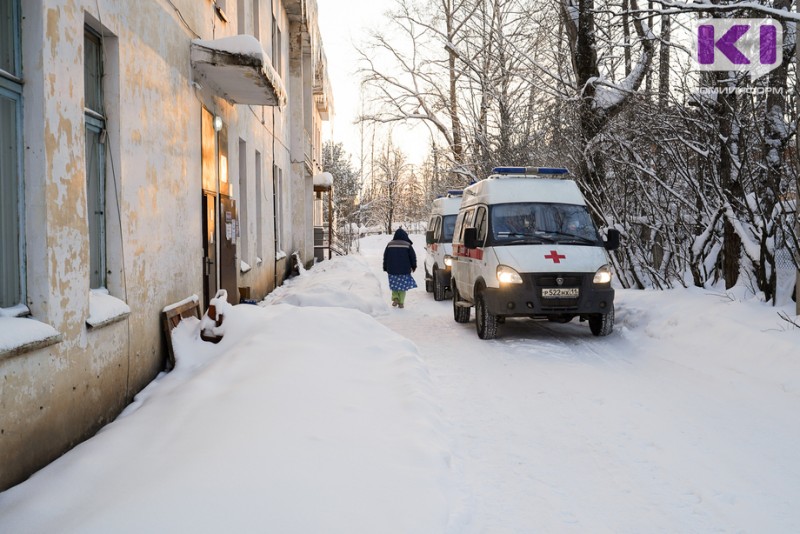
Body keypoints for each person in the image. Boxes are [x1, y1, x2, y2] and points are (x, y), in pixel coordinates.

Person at [382, 227, 417, 309]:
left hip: (392, 269)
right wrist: (413, 266)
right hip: (404, 270)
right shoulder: (407, 245)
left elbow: (385, 256)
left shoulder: (390, 244)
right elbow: (412, 257)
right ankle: (401, 302)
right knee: (402, 287)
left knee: (394, 285)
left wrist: (385, 266)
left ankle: (395, 298)